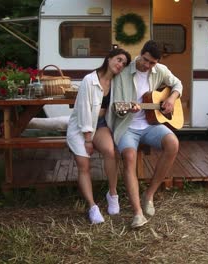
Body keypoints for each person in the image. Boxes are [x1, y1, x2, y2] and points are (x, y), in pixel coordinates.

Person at [107, 40, 182, 228]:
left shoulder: (160, 70)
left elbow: (178, 84)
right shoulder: (123, 72)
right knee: (129, 156)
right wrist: (126, 110)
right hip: (127, 126)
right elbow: (116, 107)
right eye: (146, 60)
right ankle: (138, 213)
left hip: (150, 124)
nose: (147, 65)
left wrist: (171, 98)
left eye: (152, 63)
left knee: (173, 143)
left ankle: (149, 195)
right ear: (141, 53)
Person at [66, 48, 131, 224]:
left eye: (124, 63)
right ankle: (92, 206)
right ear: (109, 58)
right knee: (83, 164)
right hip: (81, 126)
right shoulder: (90, 80)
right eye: (118, 59)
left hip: (100, 124)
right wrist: (88, 139)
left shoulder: (117, 82)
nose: (120, 65)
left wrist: (130, 108)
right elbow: (84, 111)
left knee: (110, 152)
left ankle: (112, 193)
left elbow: (117, 108)